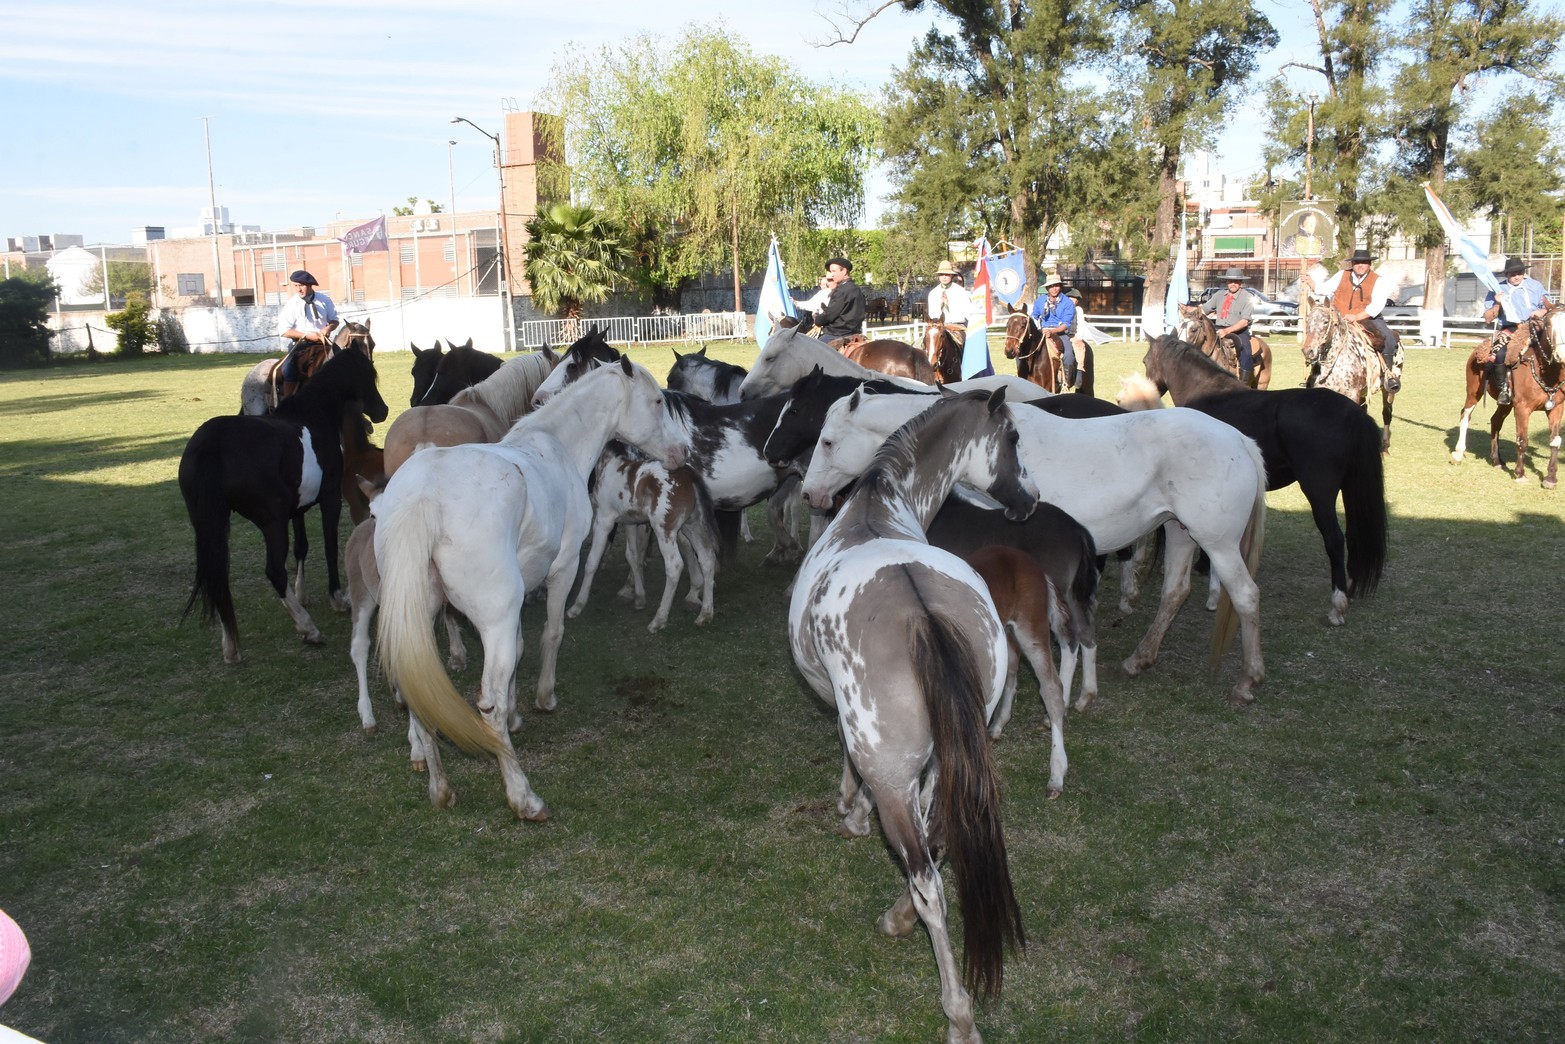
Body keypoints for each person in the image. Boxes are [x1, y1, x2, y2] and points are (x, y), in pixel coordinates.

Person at [1303, 248, 1401, 392]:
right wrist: (1311, 282)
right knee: (1322, 337)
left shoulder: (1377, 280)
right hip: (1340, 319)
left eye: (1364, 262)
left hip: (1368, 319)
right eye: (1357, 262)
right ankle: (1315, 374)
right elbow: (1324, 288)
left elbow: (1376, 306)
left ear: (1369, 264)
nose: (1360, 265)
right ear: (1352, 264)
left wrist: (1356, 317)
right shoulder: (1342, 275)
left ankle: (1388, 374)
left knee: (1387, 337)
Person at [1481, 257, 1555, 405]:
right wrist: (1497, 303)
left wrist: (1540, 312)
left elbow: (1548, 305)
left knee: (1557, 346)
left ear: (1523, 273)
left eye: (1519, 273)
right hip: (1511, 328)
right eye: (1512, 274)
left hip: (1536, 325)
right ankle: (1503, 389)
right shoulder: (1497, 290)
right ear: (1507, 275)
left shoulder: (1535, 286)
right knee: (1500, 353)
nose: (1516, 276)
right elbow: (1488, 317)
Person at [275, 269, 339, 399]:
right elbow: (284, 331)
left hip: (323, 344)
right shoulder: (292, 304)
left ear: (310, 286)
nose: (299, 289)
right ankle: (287, 403)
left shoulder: (324, 300)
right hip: (301, 345)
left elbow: (334, 320)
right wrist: (307, 335)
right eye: (296, 286)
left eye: (302, 286)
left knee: (344, 363)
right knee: (288, 368)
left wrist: (328, 329)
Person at [1202, 267, 1256, 384]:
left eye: (1236, 281)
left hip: (1239, 331)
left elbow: (1245, 321)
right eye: (1230, 281)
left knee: (1246, 351)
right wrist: (1187, 310)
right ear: (1226, 282)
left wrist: (1226, 331)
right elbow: (1204, 310)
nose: (1233, 284)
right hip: (1218, 329)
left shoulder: (1247, 297)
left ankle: (1243, 383)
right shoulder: (1219, 295)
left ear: (1241, 283)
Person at [1030, 272, 1081, 390]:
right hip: (1042, 331)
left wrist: (1052, 331)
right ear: (1047, 288)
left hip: (1060, 333)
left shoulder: (1067, 302)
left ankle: (1065, 384)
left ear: (1060, 286)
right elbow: (1035, 316)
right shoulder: (1040, 301)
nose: (1054, 288)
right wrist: (1039, 329)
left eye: (1056, 285)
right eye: (1051, 286)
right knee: (1023, 351)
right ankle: (1023, 377)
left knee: (1068, 355)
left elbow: (1066, 324)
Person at [798, 257, 865, 345]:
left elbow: (830, 315)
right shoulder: (857, 289)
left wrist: (817, 319)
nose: (832, 275)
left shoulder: (841, 290)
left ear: (844, 271)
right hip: (856, 332)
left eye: (834, 271)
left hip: (837, 334)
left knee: (811, 349)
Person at [925, 260, 972, 366]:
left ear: (951, 275)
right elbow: (932, 315)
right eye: (941, 274)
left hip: (957, 327)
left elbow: (968, 313)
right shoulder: (933, 293)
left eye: (946, 274)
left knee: (966, 349)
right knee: (920, 345)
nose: (944, 277)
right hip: (938, 327)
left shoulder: (961, 292)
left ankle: (966, 371)